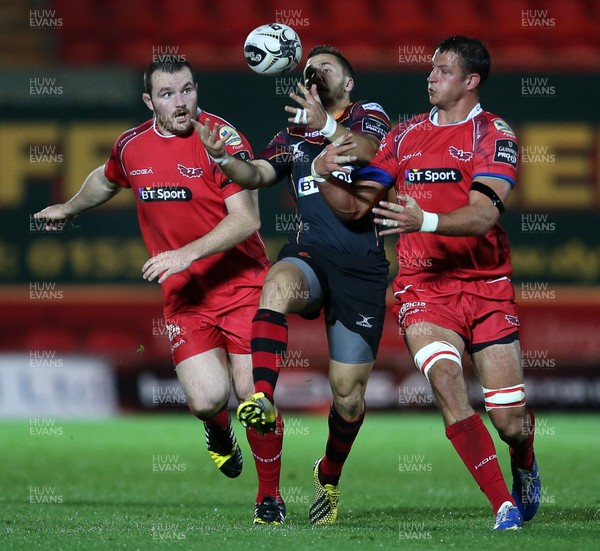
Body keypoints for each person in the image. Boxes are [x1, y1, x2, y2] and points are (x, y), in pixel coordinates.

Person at [33, 60, 286, 525]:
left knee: (255, 395)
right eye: (168, 94)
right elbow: (107, 179)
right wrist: (70, 207)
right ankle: (217, 432)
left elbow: (247, 219)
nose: (181, 102)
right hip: (186, 299)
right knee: (208, 401)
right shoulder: (132, 146)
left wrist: (186, 253)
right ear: (149, 102)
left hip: (244, 287)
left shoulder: (219, 138)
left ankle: (268, 498)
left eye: (187, 90)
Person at [312, 36, 540, 531]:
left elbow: (482, 217)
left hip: (485, 284)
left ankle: (524, 461)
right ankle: (503, 505)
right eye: (431, 68)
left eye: (442, 70)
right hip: (422, 286)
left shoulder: (493, 134)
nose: (430, 76)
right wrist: (323, 171)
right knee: (446, 383)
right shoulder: (405, 134)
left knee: (510, 422)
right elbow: (355, 206)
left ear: (470, 80)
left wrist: (426, 221)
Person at [194, 45, 391, 525]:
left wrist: (325, 124)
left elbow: (371, 153)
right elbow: (258, 173)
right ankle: (261, 395)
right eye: (312, 67)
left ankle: (328, 472)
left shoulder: (370, 117)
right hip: (310, 255)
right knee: (277, 283)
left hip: (362, 269)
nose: (316, 73)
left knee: (347, 395)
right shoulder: (291, 134)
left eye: (329, 68)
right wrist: (225, 160)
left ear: (348, 84)